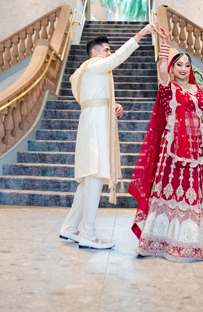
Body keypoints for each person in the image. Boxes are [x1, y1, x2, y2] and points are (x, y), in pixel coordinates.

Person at [129, 27, 203, 262]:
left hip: (197, 152)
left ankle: (195, 239)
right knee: (170, 193)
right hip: (173, 152)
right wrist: (164, 42)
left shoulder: (197, 90)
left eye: (186, 65)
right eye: (178, 65)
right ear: (172, 69)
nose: (183, 69)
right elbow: (161, 67)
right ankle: (159, 240)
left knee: (199, 194)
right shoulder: (168, 88)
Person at [60, 23, 160, 250]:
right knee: (94, 174)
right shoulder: (94, 64)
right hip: (94, 124)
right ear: (96, 53)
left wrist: (110, 104)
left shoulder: (86, 72)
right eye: (106, 49)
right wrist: (139, 35)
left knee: (87, 177)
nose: (108, 53)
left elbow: (91, 97)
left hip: (92, 118)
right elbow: (117, 58)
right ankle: (88, 234)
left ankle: (70, 227)